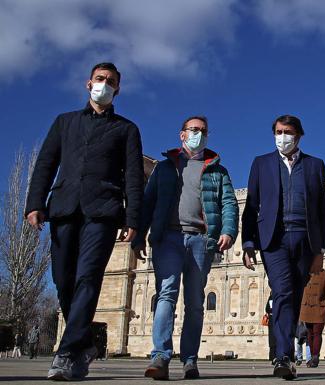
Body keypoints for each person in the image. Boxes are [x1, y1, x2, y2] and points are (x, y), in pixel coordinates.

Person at [25, 62, 143, 381]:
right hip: (64, 208)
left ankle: (65, 354)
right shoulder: (65, 123)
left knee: (87, 277)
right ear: (88, 83)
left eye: (111, 81)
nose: (104, 85)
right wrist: (35, 203)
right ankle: (84, 343)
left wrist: (133, 217)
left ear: (118, 88)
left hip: (103, 212)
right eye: (100, 79)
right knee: (63, 279)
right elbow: (46, 164)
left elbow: (134, 176)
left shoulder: (126, 129)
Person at [131, 116, 238, 380]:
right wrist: (138, 237)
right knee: (166, 293)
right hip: (168, 238)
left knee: (195, 302)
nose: (198, 134)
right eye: (194, 130)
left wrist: (228, 230)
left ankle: (190, 360)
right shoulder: (165, 168)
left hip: (201, 240)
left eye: (203, 131)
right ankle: (161, 356)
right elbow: (148, 203)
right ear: (182, 135)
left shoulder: (217, 170)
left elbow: (229, 204)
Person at [242, 114, 325, 380]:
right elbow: (251, 205)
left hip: (305, 238)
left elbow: (322, 211)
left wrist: (320, 251)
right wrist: (248, 242)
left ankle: (285, 354)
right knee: (281, 292)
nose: (283, 137)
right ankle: (283, 355)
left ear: (298, 135)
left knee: (293, 296)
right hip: (274, 239)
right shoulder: (261, 163)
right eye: (278, 132)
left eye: (287, 132)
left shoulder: (315, 165)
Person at [299, 256, 325, 368]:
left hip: (320, 307)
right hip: (306, 308)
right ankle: (312, 357)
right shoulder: (304, 272)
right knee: (309, 333)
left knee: (317, 333)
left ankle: (315, 357)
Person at [265, 295, 277, 362]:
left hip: (272, 320)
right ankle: (275, 356)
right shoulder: (277, 296)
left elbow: (267, 309)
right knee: (275, 339)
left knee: (272, 339)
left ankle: (272, 357)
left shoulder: (271, 297)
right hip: (276, 320)